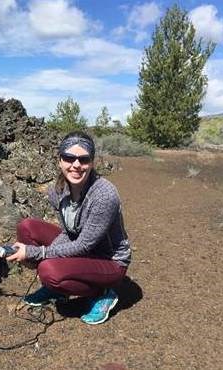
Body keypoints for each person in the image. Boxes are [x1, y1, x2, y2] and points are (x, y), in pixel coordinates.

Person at [7, 131, 131, 325]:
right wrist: (47, 254)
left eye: (83, 159)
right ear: (60, 160)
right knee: (27, 227)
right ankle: (58, 288)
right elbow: (67, 232)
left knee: (49, 271)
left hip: (109, 261)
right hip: (82, 247)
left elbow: (83, 245)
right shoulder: (56, 190)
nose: (76, 165)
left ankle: (103, 292)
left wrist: (38, 253)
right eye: (69, 158)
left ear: (91, 162)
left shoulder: (104, 195)